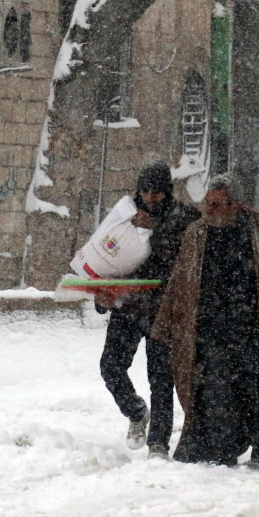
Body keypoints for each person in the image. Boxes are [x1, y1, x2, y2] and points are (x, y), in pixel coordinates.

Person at [151, 175, 259, 466]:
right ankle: (219, 450)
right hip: (210, 331)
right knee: (215, 394)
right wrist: (166, 325)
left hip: (253, 331)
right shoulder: (196, 234)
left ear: (236, 204)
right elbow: (181, 281)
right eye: (208, 204)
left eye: (218, 204)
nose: (211, 211)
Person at [98, 160, 200, 457]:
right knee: (111, 367)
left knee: (161, 380)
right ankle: (136, 411)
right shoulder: (123, 215)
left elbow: (184, 259)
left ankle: (158, 444)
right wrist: (102, 297)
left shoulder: (185, 218)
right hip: (128, 308)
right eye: (145, 191)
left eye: (156, 192)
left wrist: (153, 231)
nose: (150, 197)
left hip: (163, 311)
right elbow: (107, 256)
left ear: (167, 191)